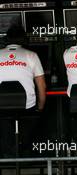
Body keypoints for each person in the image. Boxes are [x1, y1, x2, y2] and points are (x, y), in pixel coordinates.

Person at [0, 26, 46, 157]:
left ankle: (8, 159)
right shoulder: (31, 55)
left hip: (2, 109)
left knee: (6, 139)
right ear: (24, 39)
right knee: (28, 137)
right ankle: (25, 155)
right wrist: (40, 108)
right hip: (27, 108)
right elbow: (42, 86)